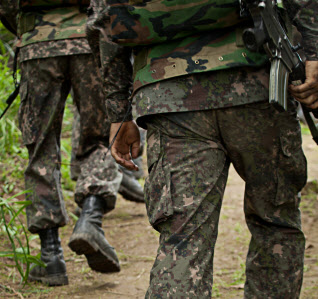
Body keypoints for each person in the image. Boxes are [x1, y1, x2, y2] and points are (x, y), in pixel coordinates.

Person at [87, 0, 318, 297]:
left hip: (167, 94)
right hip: (256, 83)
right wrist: (313, 50)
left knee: (183, 238)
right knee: (276, 224)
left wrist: (118, 113)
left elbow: (103, 19)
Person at [0, 0, 139, 286]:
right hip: (91, 40)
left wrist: (30, 27)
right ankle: (90, 218)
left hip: (38, 45)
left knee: (41, 147)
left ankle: (51, 257)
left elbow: (6, 5)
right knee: (99, 137)